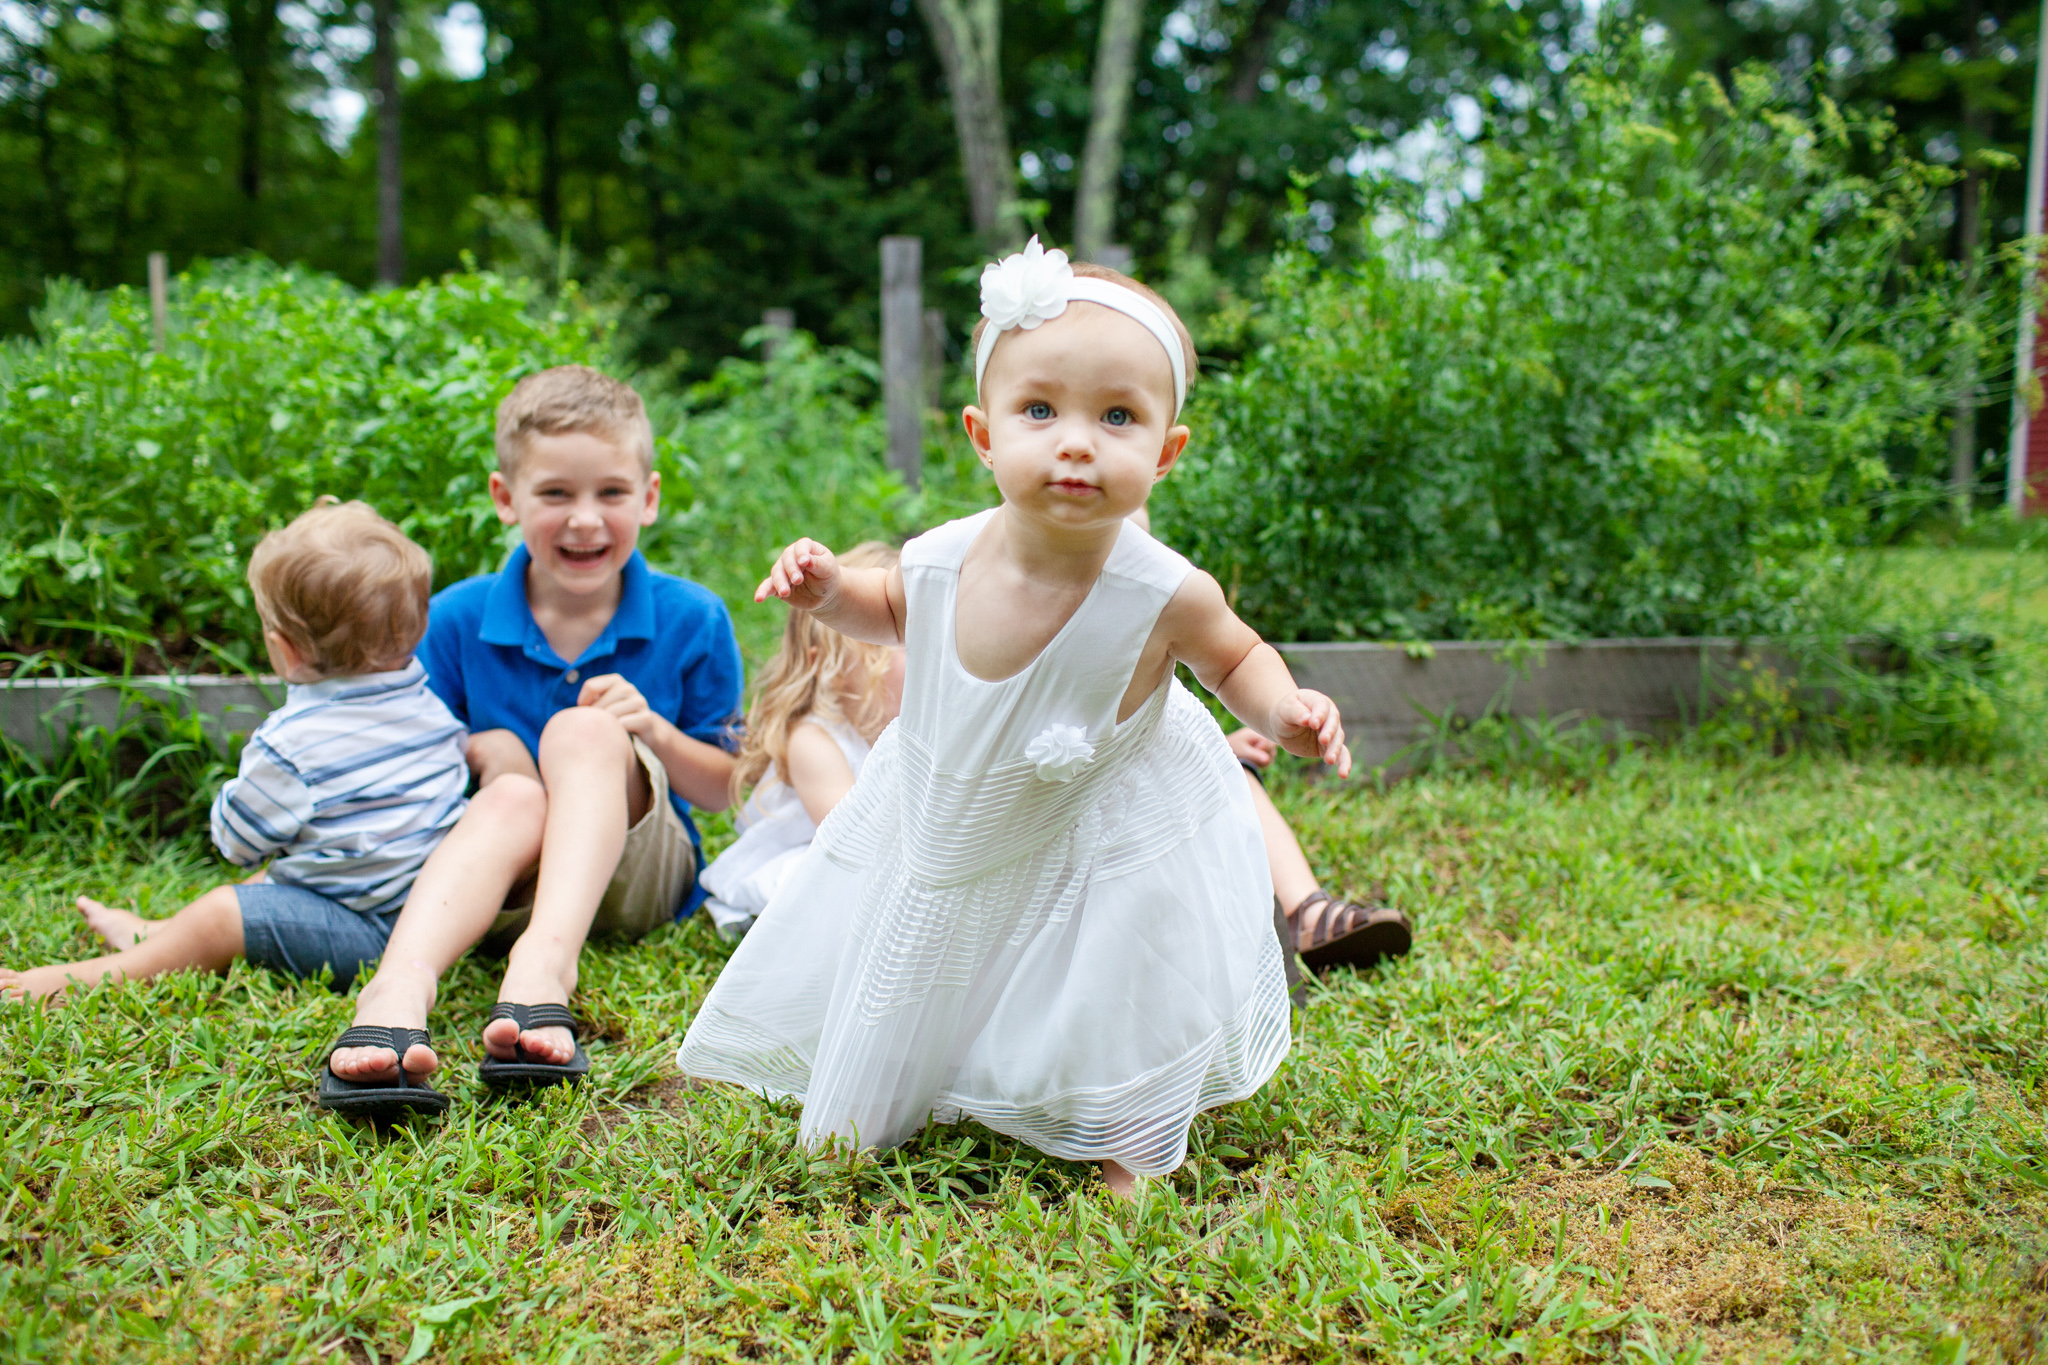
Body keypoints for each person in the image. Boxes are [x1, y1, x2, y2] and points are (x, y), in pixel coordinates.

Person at [678, 238, 1350, 1196]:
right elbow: (888, 608)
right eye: (1040, 409)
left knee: (1118, 976)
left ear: (1165, 452)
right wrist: (827, 591)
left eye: (1118, 416)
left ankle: (1130, 1140)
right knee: (929, 957)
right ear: (984, 434)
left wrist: (1285, 706)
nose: (1077, 440)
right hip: (955, 805)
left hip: (1111, 817)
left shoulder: (1166, 588)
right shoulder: (945, 556)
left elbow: (1237, 656)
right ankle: (893, 1099)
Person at [320, 365, 744, 1110]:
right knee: (512, 785)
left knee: (584, 730)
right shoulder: (453, 619)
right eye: (555, 494)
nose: (585, 519)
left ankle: (547, 964)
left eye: (611, 493)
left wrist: (654, 734)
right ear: (505, 499)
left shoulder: (693, 617)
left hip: (636, 877)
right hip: (496, 881)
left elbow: (729, 789)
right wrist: (486, 753)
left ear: (648, 498)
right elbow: (408, 762)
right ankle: (398, 986)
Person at [0, 500, 470, 1021]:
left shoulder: (292, 743)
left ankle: (88, 979)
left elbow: (239, 844)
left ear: (285, 650)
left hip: (362, 930)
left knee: (226, 911)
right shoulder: (432, 708)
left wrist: (238, 800)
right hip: (434, 918)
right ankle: (156, 935)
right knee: (270, 887)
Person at [1123, 507, 1413, 985]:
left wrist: (1268, 715)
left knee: (1226, 770)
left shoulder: (1164, 597)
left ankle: (1308, 910)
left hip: (1145, 780)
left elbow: (1227, 666)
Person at [700, 542, 905, 942]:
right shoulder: (814, 739)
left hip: (885, 859)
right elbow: (856, 843)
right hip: (821, 857)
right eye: (905, 646)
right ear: (826, 666)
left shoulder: (910, 732)